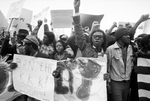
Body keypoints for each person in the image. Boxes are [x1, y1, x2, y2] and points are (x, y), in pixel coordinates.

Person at [10, 35, 49, 101]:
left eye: (25, 45)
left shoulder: (45, 58)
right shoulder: (22, 59)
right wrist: (13, 67)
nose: (23, 47)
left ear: (30, 47)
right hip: (26, 92)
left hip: (39, 93)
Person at [106, 28, 133, 101]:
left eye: (129, 35)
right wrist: (108, 83)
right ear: (120, 36)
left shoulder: (131, 48)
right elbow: (107, 67)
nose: (128, 36)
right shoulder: (110, 49)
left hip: (127, 81)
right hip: (116, 82)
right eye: (126, 35)